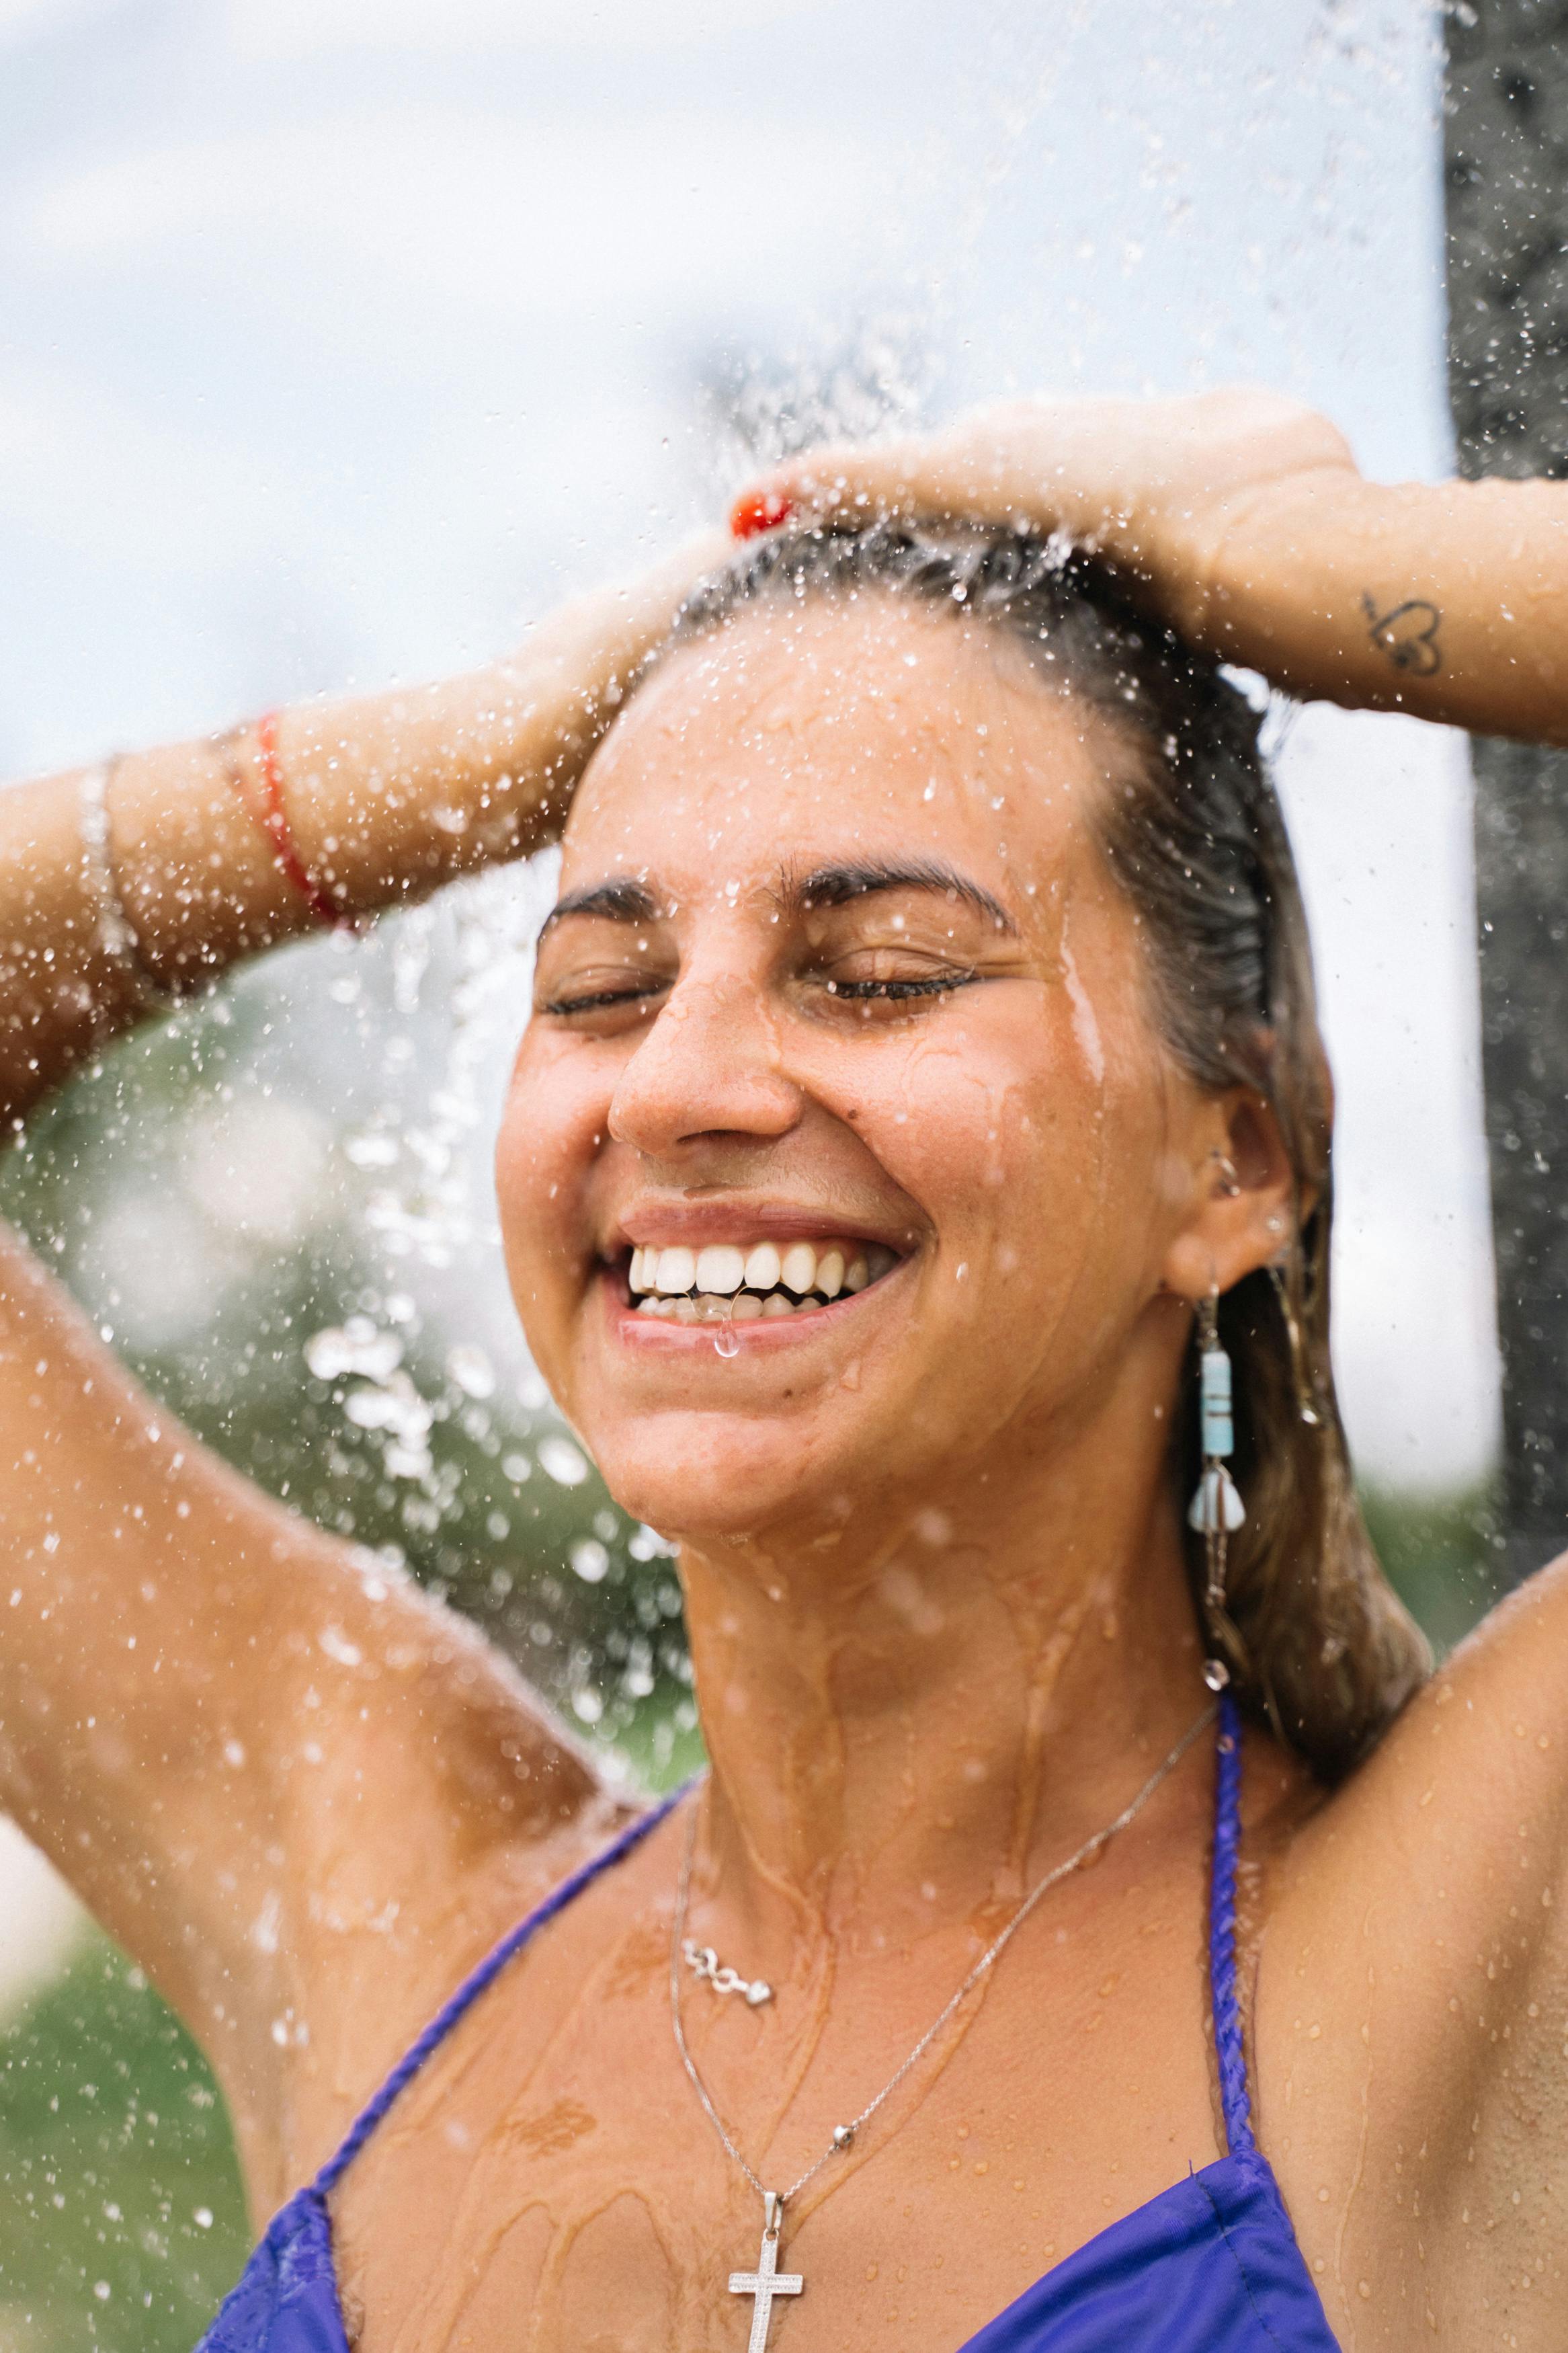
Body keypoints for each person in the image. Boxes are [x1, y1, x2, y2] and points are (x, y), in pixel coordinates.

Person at [1, 387, 1565, 2352]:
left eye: (884, 973)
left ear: (1236, 1154)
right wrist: (473, 748)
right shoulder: (384, 1883)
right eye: (601, 984)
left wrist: (1272, 554)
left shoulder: (1480, 1929)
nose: (681, 1082)